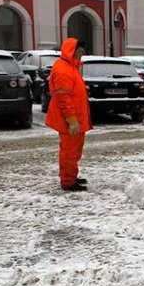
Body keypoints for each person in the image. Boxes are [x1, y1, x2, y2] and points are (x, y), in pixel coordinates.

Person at [45, 38, 91, 191]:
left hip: (75, 118)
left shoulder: (70, 67)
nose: (82, 54)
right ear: (71, 50)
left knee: (74, 150)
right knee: (69, 151)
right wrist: (72, 120)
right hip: (70, 120)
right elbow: (63, 99)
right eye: (79, 51)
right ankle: (68, 182)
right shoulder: (64, 70)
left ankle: (71, 176)